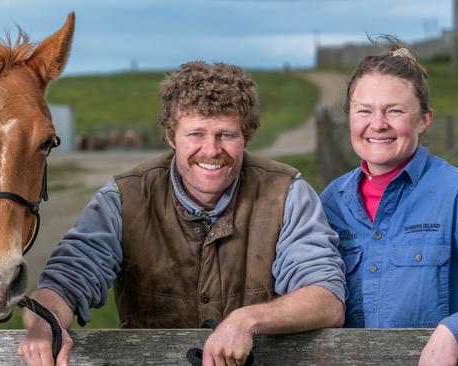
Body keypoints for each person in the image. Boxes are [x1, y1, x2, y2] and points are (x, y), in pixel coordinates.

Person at [18, 61, 346, 366]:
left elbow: (325, 297)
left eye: (226, 134)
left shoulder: (287, 193)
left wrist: (248, 320)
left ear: (246, 135)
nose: (212, 150)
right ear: (171, 136)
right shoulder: (124, 198)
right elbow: (67, 278)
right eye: (196, 134)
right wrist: (46, 323)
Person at [320, 39, 458, 365]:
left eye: (394, 110)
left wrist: (455, 329)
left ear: (424, 119)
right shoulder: (330, 203)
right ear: (349, 117)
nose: (377, 124)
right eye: (364, 110)